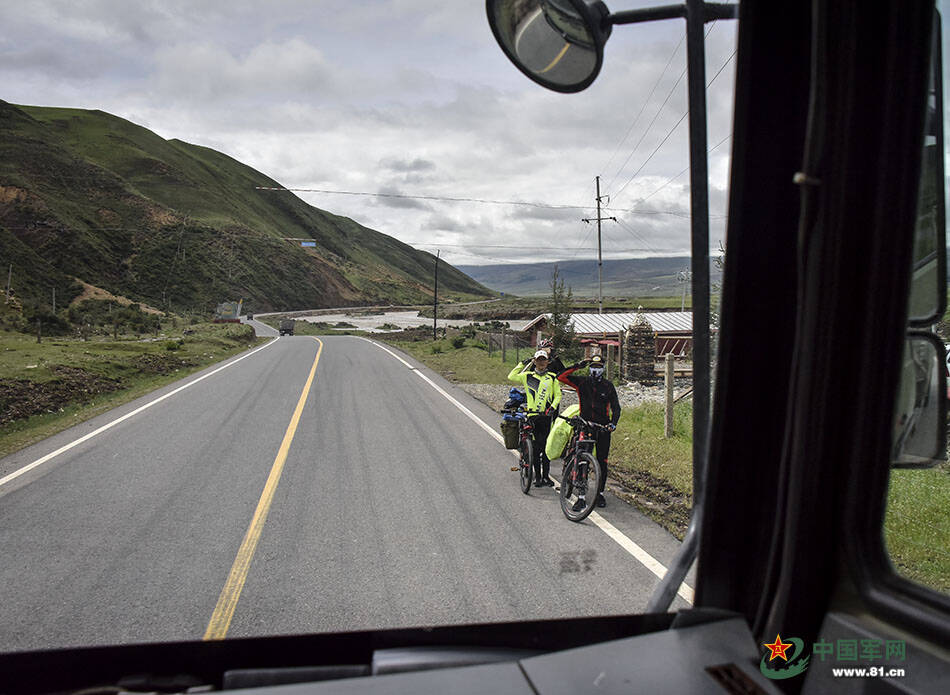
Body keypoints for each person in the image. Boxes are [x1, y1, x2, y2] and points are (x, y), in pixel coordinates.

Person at [557, 354, 620, 509]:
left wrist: (613, 424)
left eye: (598, 367)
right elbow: (561, 377)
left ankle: (599, 494)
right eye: (593, 366)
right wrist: (579, 364)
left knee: (602, 462)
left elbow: (616, 407)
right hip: (585, 426)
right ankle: (581, 496)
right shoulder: (582, 382)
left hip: (603, 429)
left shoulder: (608, 386)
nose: (595, 369)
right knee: (582, 461)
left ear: (603, 368)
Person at [507, 350, 562, 487]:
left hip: (546, 416)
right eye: (538, 360)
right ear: (535, 362)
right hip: (532, 415)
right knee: (536, 449)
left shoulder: (552, 377)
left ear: (547, 362)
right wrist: (522, 363)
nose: (541, 363)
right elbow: (511, 376)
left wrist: (553, 407)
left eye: (544, 360)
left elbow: (558, 395)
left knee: (546, 449)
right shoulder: (527, 376)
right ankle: (537, 477)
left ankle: (546, 477)